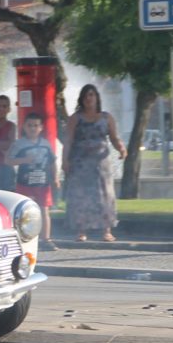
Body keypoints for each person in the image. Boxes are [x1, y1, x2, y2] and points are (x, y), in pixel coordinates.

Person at [62, 83, 127, 242]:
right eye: (86, 96)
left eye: (92, 95)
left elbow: (113, 137)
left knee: (105, 195)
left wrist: (121, 148)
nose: (89, 98)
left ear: (97, 98)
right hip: (80, 163)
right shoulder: (75, 118)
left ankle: (107, 230)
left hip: (101, 163)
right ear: (81, 99)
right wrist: (65, 160)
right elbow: (68, 140)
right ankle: (81, 231)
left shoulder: (106, 117)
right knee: (81, 195)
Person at [7, 112, 60, 251]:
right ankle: (21, 238)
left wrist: (55, 178)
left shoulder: (45, 144)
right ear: (24, 127)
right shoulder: (19, 144)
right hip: (25, 182)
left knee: (44, 209)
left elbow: (52, 161)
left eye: (36, 125)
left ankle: (46, 239)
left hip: (42, 182)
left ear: (41, 127)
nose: (32, 128)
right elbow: (8, 160)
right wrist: (24, 160)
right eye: (29, 125)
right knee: (24, 210)